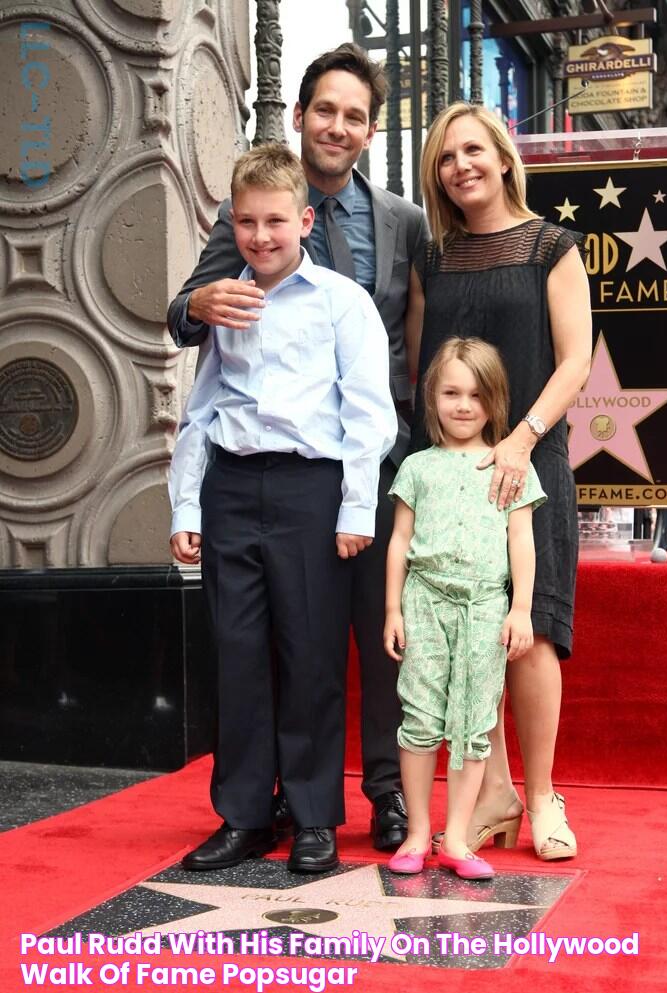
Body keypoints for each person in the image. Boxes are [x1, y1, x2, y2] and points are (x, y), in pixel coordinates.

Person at [167, 43, 429, 851]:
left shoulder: (399, 224)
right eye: (326, 109)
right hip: (246, 479)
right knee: (247, 649)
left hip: (354, 467)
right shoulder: (240, 249)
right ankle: (252, 808)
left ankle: (357, 801)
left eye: (354, 115)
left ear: (370, 129)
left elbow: (407, 354)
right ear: (301, 114)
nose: (338, 125)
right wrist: (198, 304)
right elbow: (199, 358)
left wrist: (387, 477)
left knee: (346, 642)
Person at [409, 103, 592, 861]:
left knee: (531, 632)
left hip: (529, 463)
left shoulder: (552, 246)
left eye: (473, 150)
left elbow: (575, 359)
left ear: (503, 156)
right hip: (452, 477)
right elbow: (422, 372)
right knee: (465, 637)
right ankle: (493, 792)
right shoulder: (432, 258)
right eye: (447, 157)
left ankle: (543, 794)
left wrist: (518, 441)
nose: (461, 167)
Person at [383, 338, 546, 879]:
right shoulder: (416, 467)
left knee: (475, 721)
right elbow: (400, 541)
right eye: (451, 392)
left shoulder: (510, 466)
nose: (463, 405)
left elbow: (521, 541)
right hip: (424, 601)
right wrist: (393, 610)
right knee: (421, 717)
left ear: (494, 402)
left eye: (476, 395)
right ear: (432, 397)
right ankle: (415, 833)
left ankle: (456, 838)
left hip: (484, 607)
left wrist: (520, 609)